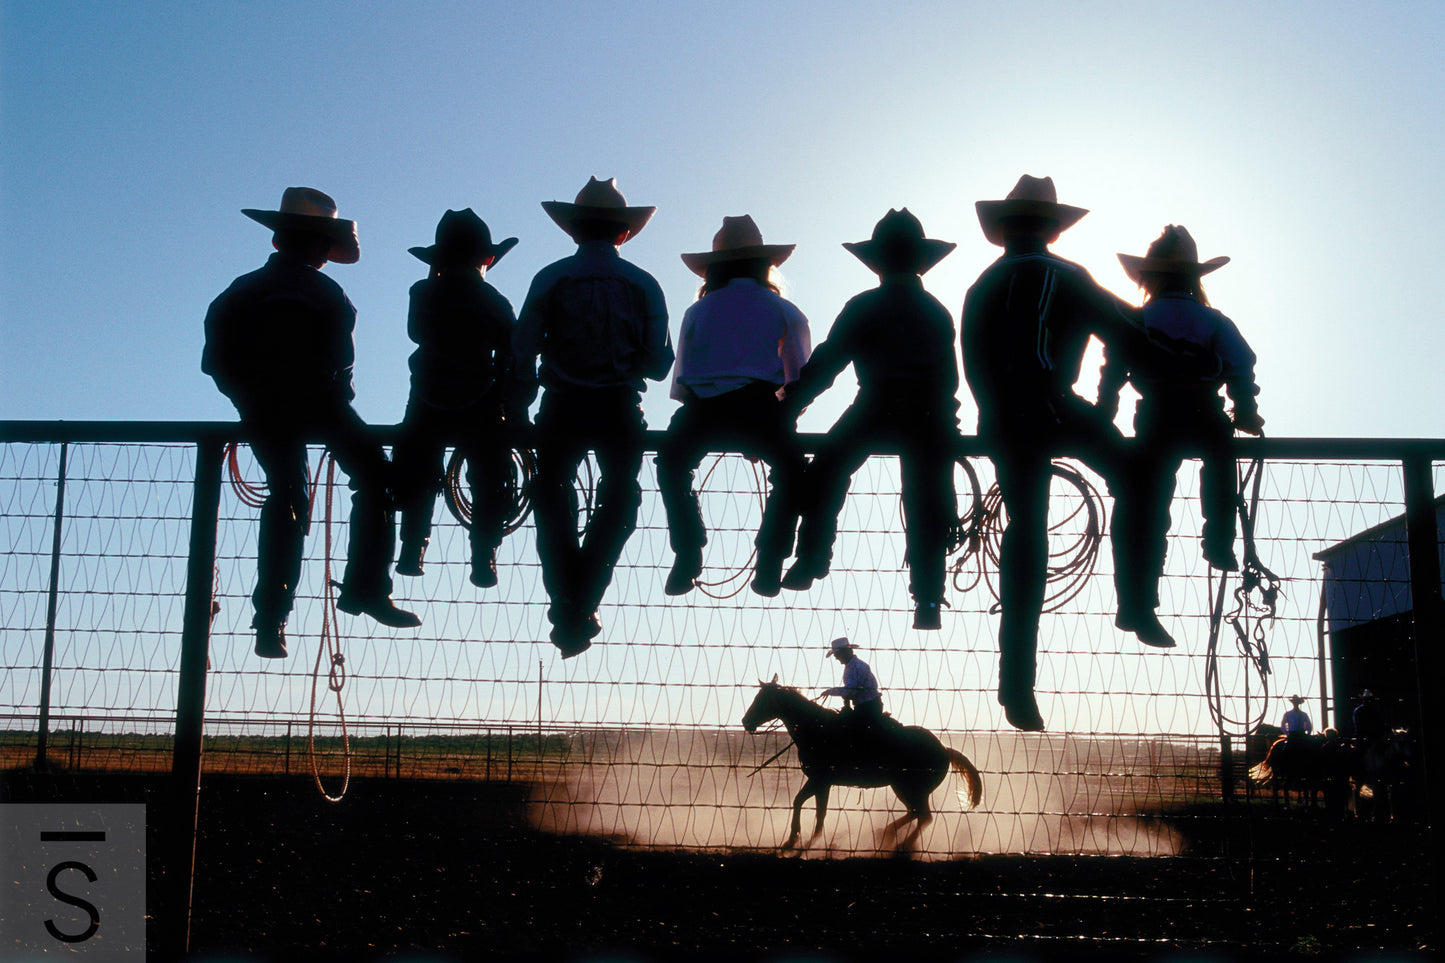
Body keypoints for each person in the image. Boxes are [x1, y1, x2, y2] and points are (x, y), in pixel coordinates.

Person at [202, 187, 419, 659]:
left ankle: (272, 619)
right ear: (323, 248)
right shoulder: (328, 294)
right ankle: (367, 587)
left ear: (278, 241)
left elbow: (214, 361)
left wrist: (248, 399)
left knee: (286, 495)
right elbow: (342, 373)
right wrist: (329, 403)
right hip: (321, 405)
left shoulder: (239, 291)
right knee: (376, 479)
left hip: (262, 408)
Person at [960, 175, 1141, 731]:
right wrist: (1107, 401)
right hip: (1056, 406)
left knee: (1024, 533)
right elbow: (1130, 332)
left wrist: (992, 409)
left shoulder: (983, 283)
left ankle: (1016, 684)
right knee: (1134, 476)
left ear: (1006, 230)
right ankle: (1135, 601)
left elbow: (971, 359)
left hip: (1003, 417)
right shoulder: (1070, 277)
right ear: (1052, 229)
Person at [513, 177, 673, 658]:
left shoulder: (549, 278)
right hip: (619, 406)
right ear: (623, 233)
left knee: (551, 498)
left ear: (574, 231)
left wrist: (516, 409)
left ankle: (568, 598)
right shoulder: (644, 283)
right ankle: (582, 600)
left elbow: (522, 354)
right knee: (621, 498)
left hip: (560, 405)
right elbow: (660, 365)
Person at [781, 209, 960, 631]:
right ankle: (929, 597)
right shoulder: (936, 311)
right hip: (927, 413)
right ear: (921, 262)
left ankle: (812, 558)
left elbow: (828, 364)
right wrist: (946, 425)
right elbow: (950, 379)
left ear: (877, 263)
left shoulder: (864, 305)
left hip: (875, 406)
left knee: (826, 471)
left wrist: (787, 408)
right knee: (927, 498)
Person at [1105, 225, 1263, 633]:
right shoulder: (1212, 319)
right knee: (1220, 462)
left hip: (1156, 415)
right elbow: (1240, 365)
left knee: (1147, 507)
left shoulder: (1137, 318)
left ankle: (1139, 602)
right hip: (1203, 409)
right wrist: (1244, 409)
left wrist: (1105, 411)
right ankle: (1219, 539)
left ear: (1150, 276)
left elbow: (1114, 370)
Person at [657, 215, 811, 597]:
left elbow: (682, 379)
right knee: (792, 473)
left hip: (701, 408)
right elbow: (798, 377)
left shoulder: (698, 310)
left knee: (672, 464)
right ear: (765, 264)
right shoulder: (784, 309)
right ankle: (770, 560)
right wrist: (780, 418)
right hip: (759, 405)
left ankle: (688, 549)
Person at [392, 209, 520, 589]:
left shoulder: (422, 291)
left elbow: (416, 333)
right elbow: (511, 349)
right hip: (479, 397)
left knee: (417, 469)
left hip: (427, 393)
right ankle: (484, 557)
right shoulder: (493, 299)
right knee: (491, 476)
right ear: (487, 258)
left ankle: (412, 548)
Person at [821, 636, 884, 728]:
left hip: (868, 708)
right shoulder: (852, 666)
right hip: (866, 706)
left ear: (845, 652)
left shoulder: (856, 667)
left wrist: (830, 691)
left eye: (837, 655)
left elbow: (850, 690)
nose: (836, 658)